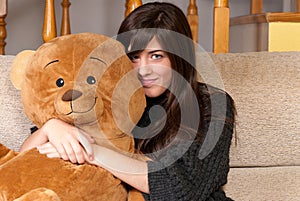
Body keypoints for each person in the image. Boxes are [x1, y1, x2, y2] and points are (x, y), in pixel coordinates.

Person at [20, 2, 236, 200]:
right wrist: (48, 129)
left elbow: (180, 189)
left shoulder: (212, 104)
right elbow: (22, 165)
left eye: (156, 56)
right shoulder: (107, 97)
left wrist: (91, 153)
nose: (144, 70)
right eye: (134, 57)